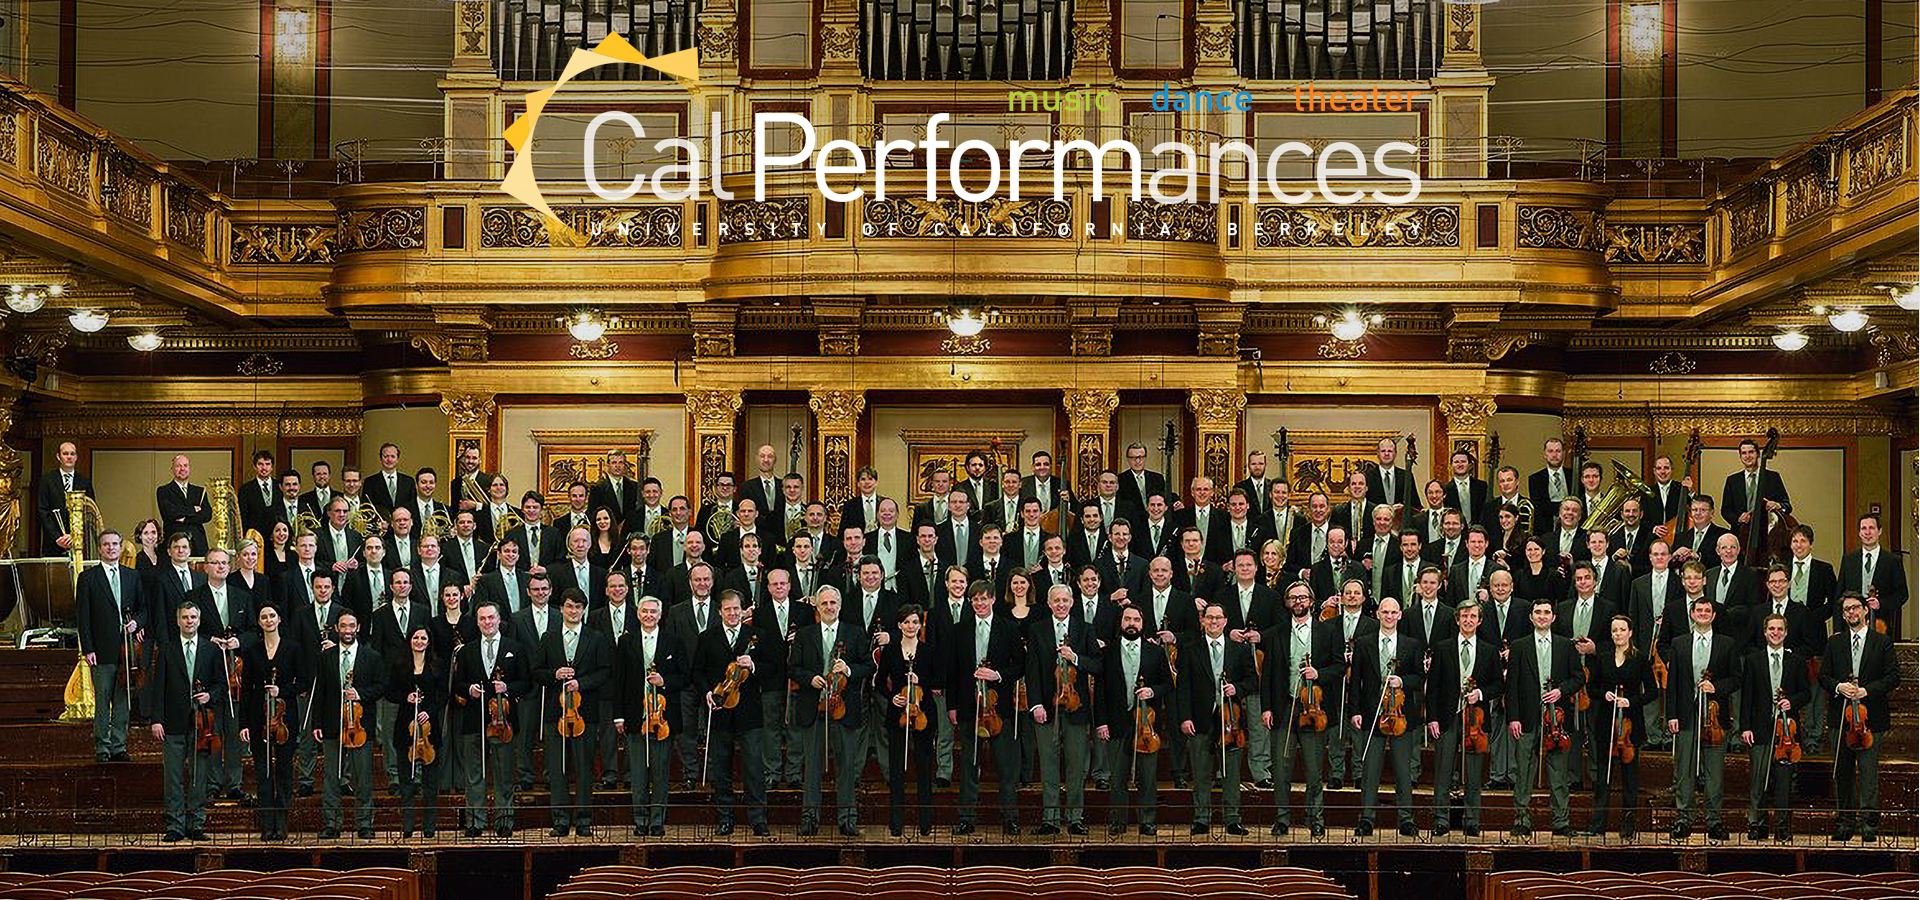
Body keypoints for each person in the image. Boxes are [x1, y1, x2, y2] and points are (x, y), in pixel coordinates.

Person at [1262, 580, 1342, 837]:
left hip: (1313, 708)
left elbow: (1339, 667)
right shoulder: (1276, 633)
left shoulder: (1327, 631)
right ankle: (1282, 818)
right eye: (1293, 598)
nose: (1298, 601)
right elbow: (1268, 675)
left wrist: (1319, 673)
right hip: (1285, 706)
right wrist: (1267, 708)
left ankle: (1315, 817)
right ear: (1287, 602)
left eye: (1303, 597)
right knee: (1281, 767)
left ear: (1311, 601)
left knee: (1313, 767)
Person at [791, 585, 870, 836]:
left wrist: (848, 670)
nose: (829, 607)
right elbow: (793, 668)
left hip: (844, 709)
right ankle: (809, 820)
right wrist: (810, 679)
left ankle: (848, 820)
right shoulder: (805, 634)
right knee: (812, 766)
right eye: (824, 603)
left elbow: (868, 665)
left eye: (833, 603)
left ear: (839, 605)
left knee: (846, 766)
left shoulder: (855, 633)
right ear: (817, 606)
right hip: (813, 708)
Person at [1821, 592, 1899, 842]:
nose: (1852, 613)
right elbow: (1823, 676)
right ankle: (1844, 822)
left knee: (1867, 772)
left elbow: (1893, 677)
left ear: (1865, 610)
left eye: (1856, 608)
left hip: (1870, 718)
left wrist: (1867, 690)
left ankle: (1869, 824)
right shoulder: (1835, 642)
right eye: (1847, 610)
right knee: (1842, 772)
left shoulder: (1882, 641)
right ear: (1843, 615)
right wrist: (1838, 687)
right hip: (1840, 718)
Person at [145, 600, 226, 842]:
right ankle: (175, 825)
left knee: (200, 775)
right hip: (172, 723)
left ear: (199, 620)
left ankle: (196, 824)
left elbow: (222, 686)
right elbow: (158, 688)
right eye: (185, 617)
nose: (189, 621)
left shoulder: (211, 650)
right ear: (178, 621)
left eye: (193, 617)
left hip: (202, 724)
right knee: (173, 776)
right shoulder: (167, 650)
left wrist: (210, 695)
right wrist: (156, 720)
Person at [946, 579, 1023, 835]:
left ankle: (1010, 819)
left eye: (983, 599)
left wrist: (998, 675)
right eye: (974, 600)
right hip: (969, 708)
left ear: (993, 600)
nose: (979, 603)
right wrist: (952, 706)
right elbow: (953, 671)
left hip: (999, 709)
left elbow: (1020, 665)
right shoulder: (960, 630)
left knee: (1006, 767)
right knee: (969, 765)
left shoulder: (1009, 628)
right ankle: (966, 819)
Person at [698, 590, 774, 836]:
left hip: (749, 713)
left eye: (736, 609)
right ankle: (725, 817)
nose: (732, 613)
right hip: (719, 711)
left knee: (753, 767)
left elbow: (772, 667)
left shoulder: (757, 636)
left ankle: (758, 819)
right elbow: (696, 672)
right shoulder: (707, 637)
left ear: (743, 610)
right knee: (720, 769)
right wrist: (708, 692)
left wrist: (752, 666)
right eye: (727, 609)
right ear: (719, 611)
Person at [1026, 584, 1100, 835]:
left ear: (1072, 602)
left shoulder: (1085, 629)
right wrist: (1035, 704)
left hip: (1077, 709)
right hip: (1046, 708)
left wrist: (1076, 658)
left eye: (1065, 600)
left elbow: (1098, 665)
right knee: (1048, 764)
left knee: (1076, 765)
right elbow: (1032, 670)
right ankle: (1050, 819)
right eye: (1056, 600)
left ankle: (1075, 818)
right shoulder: (1037, 630)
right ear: (1048, 603)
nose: (1061, 604)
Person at [1665, 596, 1739, 842]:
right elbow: (1672, 681)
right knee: (1684, 768)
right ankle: (1683, 819)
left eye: (1708, 611)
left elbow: (1736, 679)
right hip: (1685, 715)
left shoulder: (1727, 643)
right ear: (1692, 614)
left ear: (1714, 616)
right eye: (1699, 610)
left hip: (1715, 718)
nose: (1704, 614)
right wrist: (1671, 715)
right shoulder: (1679, 643)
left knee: (1714, 771)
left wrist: (1715, 686)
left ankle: (1714, 820)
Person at [455, 600, 531, 838]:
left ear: (499, 620)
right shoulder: (466, 650)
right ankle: (475, 822)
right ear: (477, 622)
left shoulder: (515, 648)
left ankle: (504, 821)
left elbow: (526, 682)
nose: (487, 622)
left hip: (503, 721)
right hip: (473, 719)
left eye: (491, 618)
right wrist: (469, 690)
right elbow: (457, 683)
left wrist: (507, 687)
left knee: (504, 771)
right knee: (474, 773)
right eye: (482, 619)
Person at [1349, 596, 1423, 837]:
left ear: (1400, 615)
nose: (1389, 616)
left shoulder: (1411, 644)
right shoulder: (1364, 642)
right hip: (1372, 715)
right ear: (1378, 614)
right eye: (1385, 612)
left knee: (1403, 770)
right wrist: (1355, 711)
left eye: (1394, 612)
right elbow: (1356, 681)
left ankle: (1406, 819)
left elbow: (1419, 679)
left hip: (1400, 716)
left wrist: (1402, 680)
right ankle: (1367, 819)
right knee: (1370, 770)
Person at [1508, 598, 1582, 837]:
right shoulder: (1520, 646)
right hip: (1527, 717)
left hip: (1556, 719)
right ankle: (1522, 819)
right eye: (1537, 612)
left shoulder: (1565, 645)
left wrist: (1561, 690)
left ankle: (1561, 822)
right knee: (1524, 770)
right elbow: (1512, 685)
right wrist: (1514, 718)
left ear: (1553, 617)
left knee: (1559, 771)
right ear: (1531, 617)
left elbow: (1579, 677)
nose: (1542, 616)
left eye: (1546, 612)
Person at [1428, 600, 1501, 838]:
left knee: (1473, 771)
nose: (1468, 620)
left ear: (1479, 621)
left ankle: (1472, 821)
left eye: (1473, 616)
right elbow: (1434, 687)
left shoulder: (1490, 650)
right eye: (1464, 616)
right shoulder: (1442, 647)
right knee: (1443, 771)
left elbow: (1498, 685)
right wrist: (1433, 719)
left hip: (1475, 721)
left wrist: (1480, 694)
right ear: (1457, 619)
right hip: (1447, 718)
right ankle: (1441, 819)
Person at [1179, 602, 1253, 836]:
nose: (1213, 621)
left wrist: (1237, 688)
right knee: (1201, 772)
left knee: (1231, 772)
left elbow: (1252, 680)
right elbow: (1183, 687)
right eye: (1209, 617)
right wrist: (1185, 717)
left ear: (1225, 621)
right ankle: (1201, 818)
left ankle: (1232, 819)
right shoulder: (1191, 649)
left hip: (1230, 720)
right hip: (1200, 718)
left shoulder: (1239, 649)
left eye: (1217, 618)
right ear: (1202, 621)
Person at [311, 608, 386, 839]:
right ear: (336, 629)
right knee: (331, 778)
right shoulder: (325, 657)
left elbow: (381, 687)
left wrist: (360, 694)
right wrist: (317, 723)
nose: (347, 630)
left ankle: (364, 824)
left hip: (360, 727)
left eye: (351, 626)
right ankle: (332, 824)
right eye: (343, 626)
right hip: (333, 725)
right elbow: (320, 691)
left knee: (362, 778)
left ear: (358, 628)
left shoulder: (371, 656)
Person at [1099, 603, 1173, 836]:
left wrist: (1153, 691)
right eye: (1127, 619)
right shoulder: (1108, 652)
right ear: (1121, 623)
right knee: (1118, 776)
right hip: (1116, 722)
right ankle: (1118, 821)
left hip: (1146, 724)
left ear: (1143, 624)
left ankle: (1147, 821)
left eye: (1136, 620)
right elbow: (1100, 691)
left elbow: (1168, 684)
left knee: (1147, 776)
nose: (1132, 624)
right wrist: (1101, 722)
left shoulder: (1155, 652)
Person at [613, 595, 682, 836]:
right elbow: (618, 679)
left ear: (660, 615)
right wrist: (619, 717)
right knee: (639, 774)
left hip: (662, 719)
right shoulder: (626, 641)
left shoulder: (672, 641)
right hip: (635, 717)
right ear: (638, 614)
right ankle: (640, 820)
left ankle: (657, 821)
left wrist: (665, 681)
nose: (649, 616)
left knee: (661, 773)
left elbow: (683, 677)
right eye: (645, 612)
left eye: (654, 612)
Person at [238, 604, 307, 841]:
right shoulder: (252, 650)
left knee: (284, 770)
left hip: (286, 717)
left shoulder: (293, 648)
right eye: (263, 617)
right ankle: (267, 824)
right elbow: (246, 689)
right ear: (259, 622)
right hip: (259, 716)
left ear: (279, 620)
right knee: (263, 770)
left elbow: (303, 683)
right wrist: (243, 724)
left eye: (272, 616)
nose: (268, 620)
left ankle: (282, 822)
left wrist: (282, 690)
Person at [1740, 612, 1809, 842]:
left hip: (1786, 733)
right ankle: (1756, 824)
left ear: (1786, 632)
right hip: (1759, 729)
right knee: (1757, 780)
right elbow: (1746, 696)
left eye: (1780, 629)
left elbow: (1806, 693)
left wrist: (1793, 701)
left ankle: (1782, 827)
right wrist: (1745, 727)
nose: (1776, 633)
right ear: (1765, 632)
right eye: (1771, 629)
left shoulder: (1796, 661)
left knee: (1783, 782)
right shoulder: (1753, 660)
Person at [79, 529, 144, 762]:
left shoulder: (132, 576)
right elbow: (83, 617)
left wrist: (136, 622)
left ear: (120, 547)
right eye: (106, 544)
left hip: (127, 651)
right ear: (99, 548)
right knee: (103, 701)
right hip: (101, 650)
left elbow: (143, 609)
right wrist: (88, 649)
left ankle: (119, 745)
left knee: (122, 700)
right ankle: (102, 747)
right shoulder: (88, 578)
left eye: (115, 544)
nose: (111, 548)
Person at [1587, 614, 1653, 839]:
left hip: (1630, 725)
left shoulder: (1640, 659)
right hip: (1606, 722)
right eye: (1614, 630)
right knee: (1603, 776)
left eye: (1622, 630)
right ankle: (1598, 824)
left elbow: (1652, 692)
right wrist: (1603, 694)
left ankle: (1627, 825)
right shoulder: (1603, 658)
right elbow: (1591, 688)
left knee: (1630, 778)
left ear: (1630, 632)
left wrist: (1631, 701)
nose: (1618, 634)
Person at [878, 604, 937, 836]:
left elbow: (939, 679)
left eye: (915, 622)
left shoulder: (929, 650)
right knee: (896, 769)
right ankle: (896, 822)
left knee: (924, 769)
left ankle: (925, 823)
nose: (911, 626)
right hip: (898, 715)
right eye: (906, 622)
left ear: (920, 625)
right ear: (899, 625)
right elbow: (880, 682)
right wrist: (893, 697)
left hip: (923, 714)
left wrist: (920, 679)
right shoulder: (890, 651)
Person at [388, 623, 446, 838]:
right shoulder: (399, 664)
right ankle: (408, 825)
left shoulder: (437, 665)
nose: (419, 642)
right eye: (415, 638)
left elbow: (443, 694)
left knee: (431, 781)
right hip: (405, 726)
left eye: (423, 638)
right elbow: (390, 692)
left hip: (430, 728)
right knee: (406, 779)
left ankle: (429, 826)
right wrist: (406, 697)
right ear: (410, 641)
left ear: (429, 642)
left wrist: (429, 712)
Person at [36, 440, 94, 557]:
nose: (69, 457)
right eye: (65, 454)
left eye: (72, 454)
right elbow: (42, 511)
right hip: (53, 543)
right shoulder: (47, 480)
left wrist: (75, 535)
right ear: (58, 457)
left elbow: (89, 511)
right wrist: (57, 537)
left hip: (78, 543)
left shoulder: (85, 482)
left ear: (76, 457)